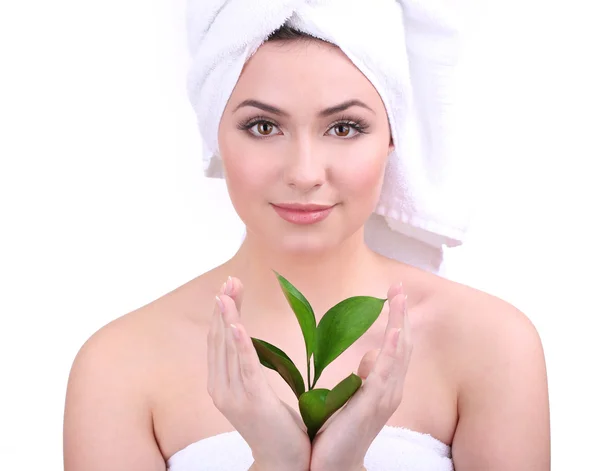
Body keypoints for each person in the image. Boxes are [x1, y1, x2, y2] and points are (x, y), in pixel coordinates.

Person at [63, 22, 551, 471]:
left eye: (343, 128)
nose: (304, 172)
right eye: (263, 126)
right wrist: (274, 461)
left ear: (391, 139)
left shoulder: (491, 345)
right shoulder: (119, 366)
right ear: (216, 135)